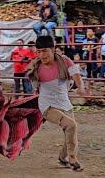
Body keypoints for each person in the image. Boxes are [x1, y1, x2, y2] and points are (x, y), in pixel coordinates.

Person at [26, 36, 85, 171]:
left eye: (45, 51)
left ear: (53, 50)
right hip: (47, 105)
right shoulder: (35, 67)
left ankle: (62, 157)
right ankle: (72, 158)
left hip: (64, 101)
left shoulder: (65, 61)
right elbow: (34, 87)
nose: (42, 55)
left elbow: (76, 75)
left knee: (71, 130)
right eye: (39, 51)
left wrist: (81, 87)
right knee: (71, 125)